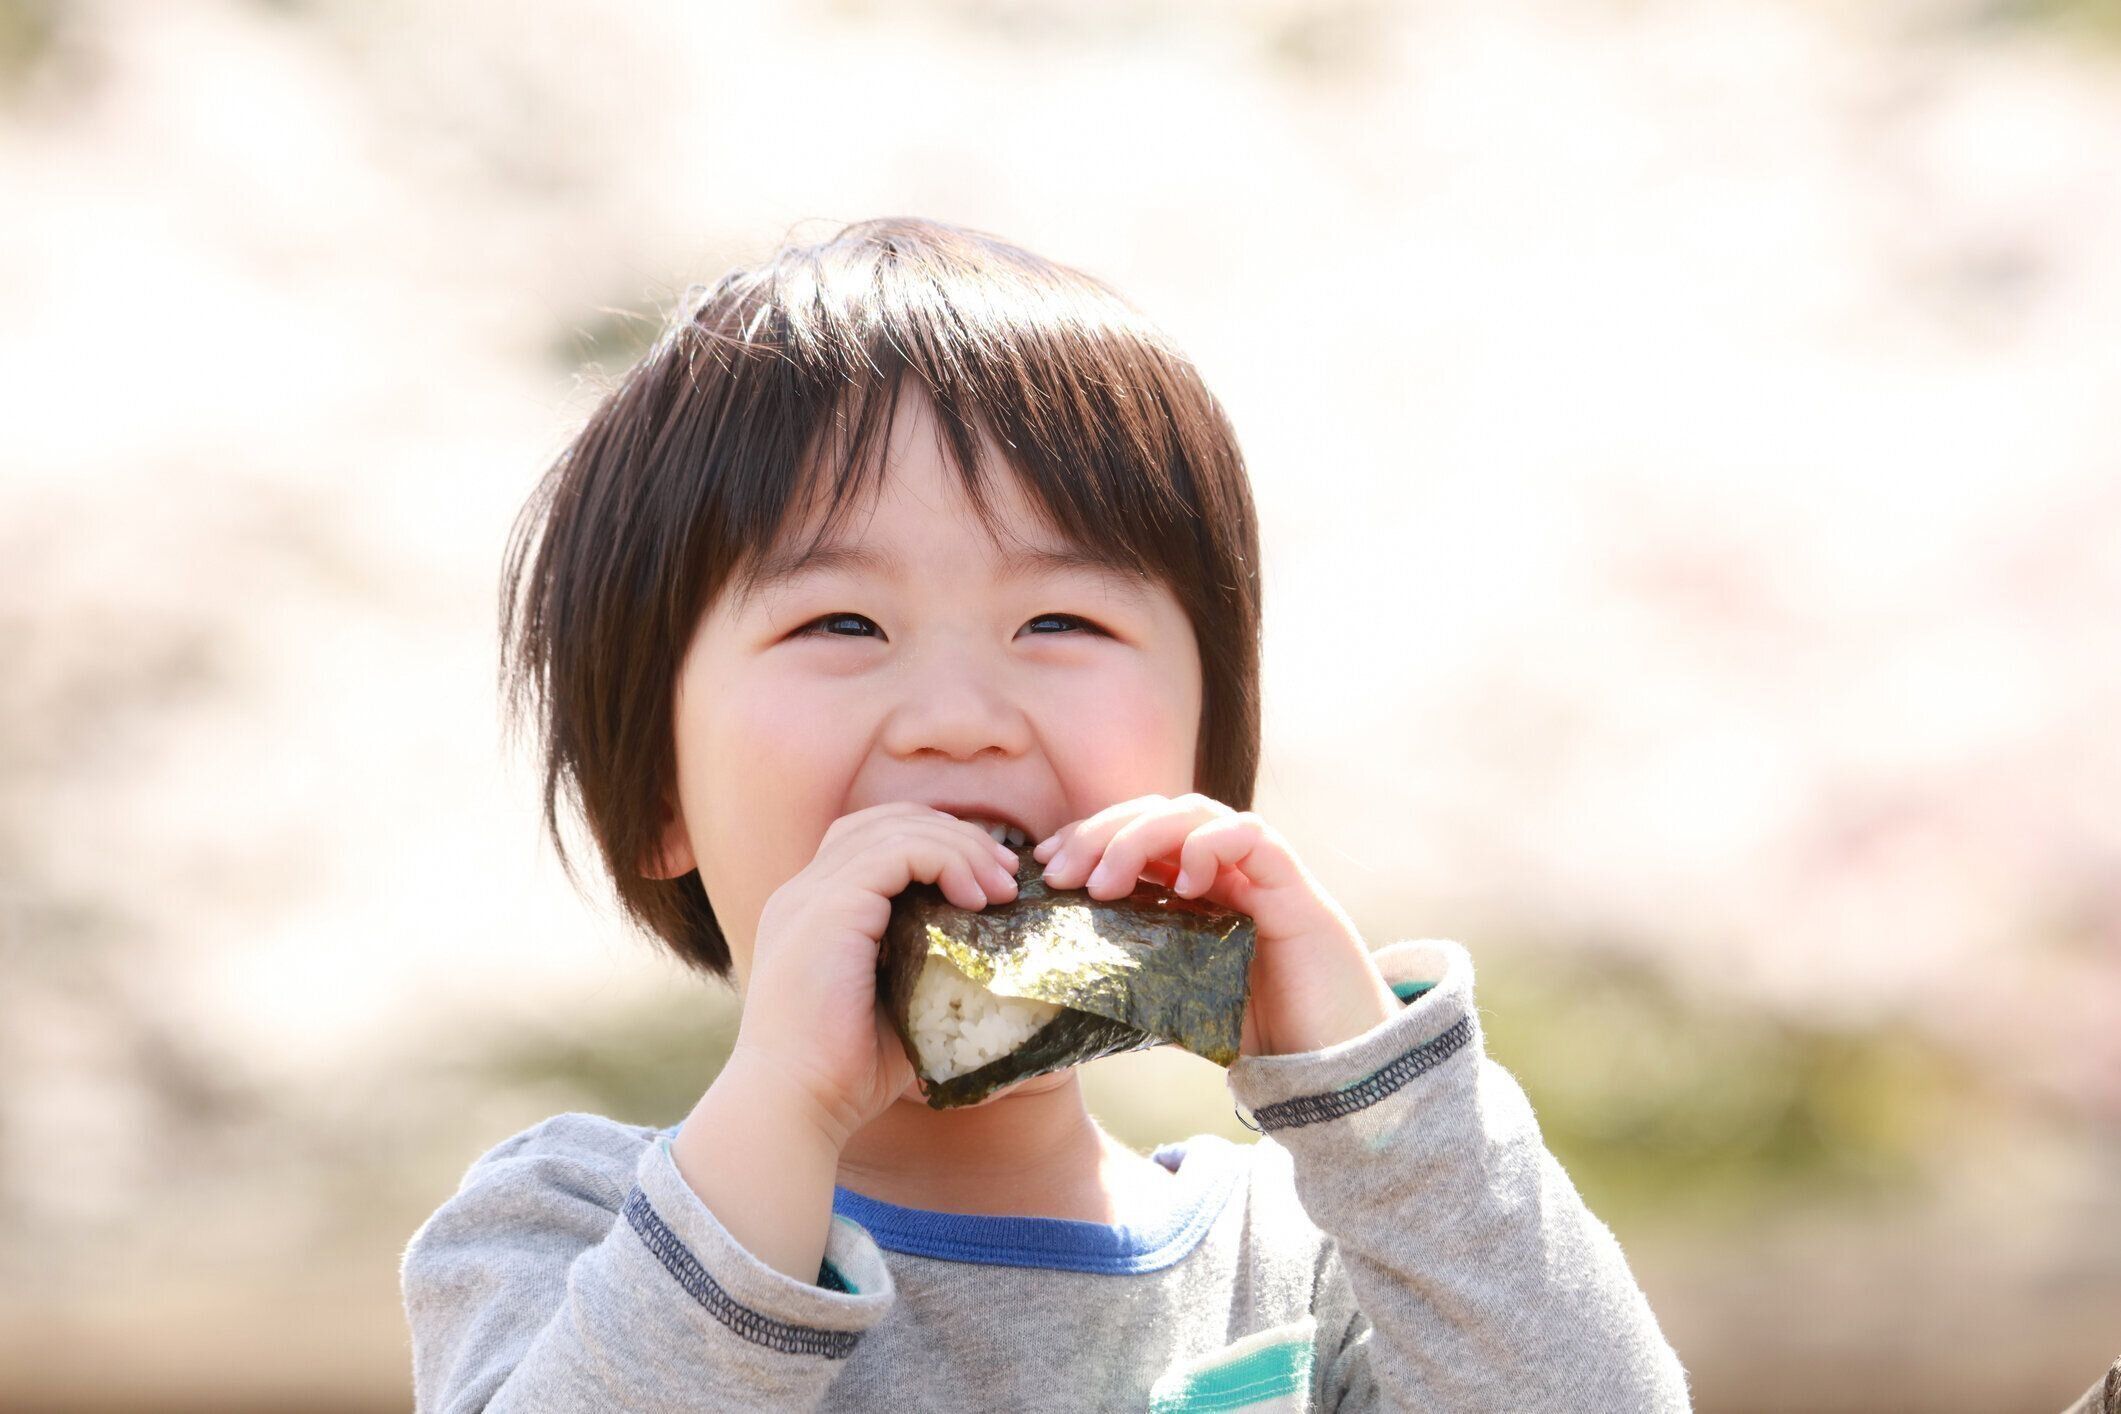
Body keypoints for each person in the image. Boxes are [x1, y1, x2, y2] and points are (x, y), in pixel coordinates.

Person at [399, 216, 1693, 1411]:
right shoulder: (569, 1230)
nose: (960, 714)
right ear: (657, 796)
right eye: (840, 620)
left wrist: (1375, 1104)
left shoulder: (1308, 1268)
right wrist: (788, 1101)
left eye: (1060, 620)